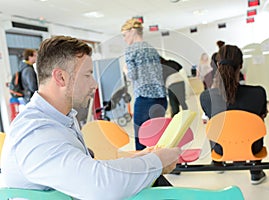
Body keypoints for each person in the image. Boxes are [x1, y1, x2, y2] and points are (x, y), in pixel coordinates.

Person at [1, 36, 181, 200]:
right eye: (87, 75)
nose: (94, 84)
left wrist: (139, 159)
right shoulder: (36, 133)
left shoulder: (60, 119)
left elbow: (85, 170)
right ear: (61, 77)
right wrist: (157, 161)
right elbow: (100, 185)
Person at [200, 45, 268, 185]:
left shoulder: (206, 97)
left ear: (217, 65)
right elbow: (262, 118)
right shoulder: (258, 93)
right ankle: (255, 172)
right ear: (241, 65)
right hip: (252, 148)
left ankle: (218, 164)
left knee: (212, 123)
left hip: (221, 149)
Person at [121, 18, 167, 151]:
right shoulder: (151, 49)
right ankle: (161, 167)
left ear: (133, 31)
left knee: (141, 141)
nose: (124, 39)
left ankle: (145, 170)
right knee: (156, 138)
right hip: (161, 98)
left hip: (145, 99)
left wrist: (125, 70)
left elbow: (133, 75)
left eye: (124, 35)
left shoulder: (131, 49)